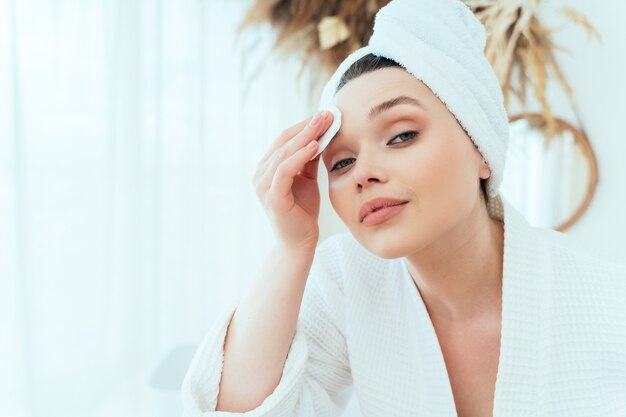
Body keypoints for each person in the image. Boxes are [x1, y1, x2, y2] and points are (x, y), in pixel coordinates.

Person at [181, 0, 626, 416]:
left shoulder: (608, 302)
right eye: (341, 161)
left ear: (482, 149)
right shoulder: (347, 282)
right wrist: (290, 248)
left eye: (401, 135)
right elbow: (236, 409)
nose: (362, 174)